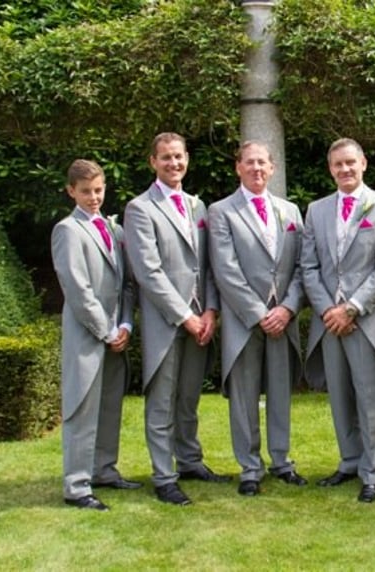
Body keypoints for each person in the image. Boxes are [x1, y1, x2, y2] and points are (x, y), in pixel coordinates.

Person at [124, 132, 230, 506]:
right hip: (167, 322)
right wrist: (186, 317)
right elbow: (148, 272)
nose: (174, 163)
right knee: (162, 402)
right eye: (166, 157)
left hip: (201, 319)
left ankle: (189, 461)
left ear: (187, 159)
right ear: (153, 162)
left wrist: (211, 311)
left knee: (188, 398)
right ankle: (164, 476)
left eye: (179, 156)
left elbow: (209, 266)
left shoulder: (198, 207)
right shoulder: (140, 209)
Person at [301, 137, 375, 503]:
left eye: (350, 162)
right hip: (329, 321)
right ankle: (349, 461)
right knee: (340, 396)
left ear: (363, 164)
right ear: (330, 169)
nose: (345, 169)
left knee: (370, 397)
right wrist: (328, 309)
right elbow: (308, 266)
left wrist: (354, 307)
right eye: (338, 164)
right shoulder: (316, 210)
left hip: (366, 319)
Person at [208, 141, 308, 497]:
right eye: (249, 162)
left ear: (272, 167)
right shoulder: (221, 211)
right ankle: (250, 468)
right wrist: (259, 313)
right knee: (244, 396)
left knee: (280, 392)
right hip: (244, 320)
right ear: (238, 167)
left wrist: (288, 308)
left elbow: (303, 266)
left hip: (283, 318)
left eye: (262, 162)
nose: (256, 168)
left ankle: (282, 461)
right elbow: (225, 269)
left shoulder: (290, 211)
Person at [51, 159, 140, 511]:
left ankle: (103, 470)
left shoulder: (114, 230)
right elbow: (78, 290)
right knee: (81, 410)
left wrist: (126, 325)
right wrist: (107, 331)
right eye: (86, 191)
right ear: (71, 191)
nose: (94, 197)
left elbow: (127, 284)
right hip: (87, 337)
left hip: (115, 334)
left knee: (109, 407)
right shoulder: (67, 230)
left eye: (99, 190)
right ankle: (76, 486)